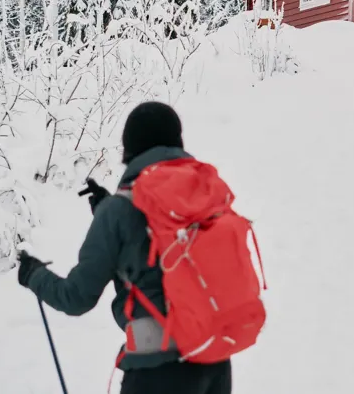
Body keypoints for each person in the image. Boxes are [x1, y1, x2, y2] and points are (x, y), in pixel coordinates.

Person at [17, 102, 232, 394]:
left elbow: (76, 297)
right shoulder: (205, 197)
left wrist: (34, 275)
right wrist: (107, 206)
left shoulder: (119, 212)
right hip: (215, 363)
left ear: (128, 149)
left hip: (158, 372)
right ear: (178, 142)